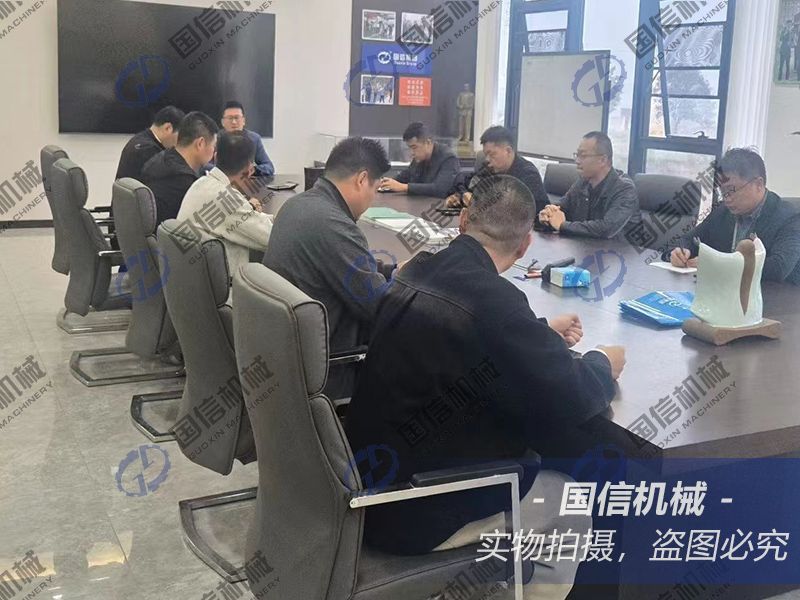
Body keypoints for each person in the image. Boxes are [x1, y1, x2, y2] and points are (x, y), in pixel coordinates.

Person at [345, 175, 625, 599]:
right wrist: (603, 361)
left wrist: (536, 332)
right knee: (569, 504)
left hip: (364, 486)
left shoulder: (417, 268)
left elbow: (468, 334)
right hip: (415, 510)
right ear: (525, 246)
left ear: (463, 221)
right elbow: (575, 395)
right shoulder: (497, 302)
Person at [263, 137, 394, 398]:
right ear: (362, 180)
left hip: (288, 357)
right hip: (328, 370)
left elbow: (341, 263)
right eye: (376, 189)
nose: (373, 199)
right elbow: (381, 307)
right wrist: (408, 280)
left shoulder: (298, 205)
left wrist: (390, 271)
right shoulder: (334, 224)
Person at [663, 148, 800, 284]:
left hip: (773, 295)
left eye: (732, 189)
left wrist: (716, 265)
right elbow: (688, 240)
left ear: (758, 184)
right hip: (722, 291)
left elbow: (777, 269)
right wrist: (678, 253)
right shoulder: (722, 211)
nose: (727, 198)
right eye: (723, 191)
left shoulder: (790, 217)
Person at [178, 130, 273, 278]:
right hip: (224, 287)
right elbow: (272, 238)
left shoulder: (201, 183)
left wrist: (272, 218)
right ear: (249, 169)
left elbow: (246, 218)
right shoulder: (226, 198)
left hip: (194, 280)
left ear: (215, 157)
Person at [539, 132, 642, 239]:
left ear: (602, 160)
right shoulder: (583, 182)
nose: (577, 161)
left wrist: (562, 225)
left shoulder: (624, 189)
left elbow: (606, 229)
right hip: (585, 246)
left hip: (621, 249)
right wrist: (548, 214)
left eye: (583, 156)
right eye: (577, 155)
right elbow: (561, 207)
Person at [446, 125, 549, 214]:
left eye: (492, 154)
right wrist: (460, 196)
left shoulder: (528, 174)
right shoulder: (490, 169)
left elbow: (534, 212)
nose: (487, 159)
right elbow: (463, 180)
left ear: (508, 151)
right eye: (486, 155)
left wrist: (478, 203)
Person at [140, 111, 219, 226]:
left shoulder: (159, 158)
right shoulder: (185, 182)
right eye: (213, 146)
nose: (213, 151)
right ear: (200, 143)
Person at [380, 122, 460, 199]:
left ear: (428, 143)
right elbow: (405, 176)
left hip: (438, 206)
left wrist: (404, 187)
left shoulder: (449, 159)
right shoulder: (419, 158)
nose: (412, 153)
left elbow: (440, 189)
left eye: (414, 147)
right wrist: (385, 184)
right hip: (418, 204)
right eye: (409, 148)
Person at [205, 101, 275, 178]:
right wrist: (228, 170)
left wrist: (254, 169)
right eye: (230, 118)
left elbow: (269, 167)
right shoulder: (215, 140)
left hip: (245, 181)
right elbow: (205, 165)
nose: (234, 122)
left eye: (237, 118)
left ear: (243, 121)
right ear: (223, 122)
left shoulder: (254, 139)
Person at [115, 106, 185, 181]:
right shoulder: (149, 151)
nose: (180, 142)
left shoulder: (140, 140)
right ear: (167, 128)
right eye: (180, 136)